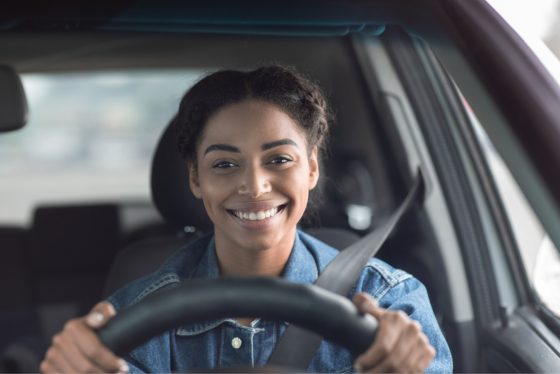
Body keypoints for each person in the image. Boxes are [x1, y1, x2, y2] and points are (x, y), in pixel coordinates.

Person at [40, 66, 452, 373]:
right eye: (224, 164)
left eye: (278, 160)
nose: (254, 187)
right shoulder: (133, 319)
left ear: (310, 169)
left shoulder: (388, 304)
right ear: (195, 179)